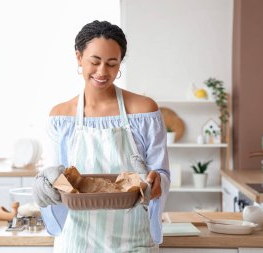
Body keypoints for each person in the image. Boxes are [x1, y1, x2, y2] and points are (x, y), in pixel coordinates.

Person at [33, 20, 170, 253]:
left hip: (133, 239)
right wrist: (45, 185)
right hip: (75, 240)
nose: (102, 72)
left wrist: (154, 184)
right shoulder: (60, 117)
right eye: (94, 62)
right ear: (79, 58)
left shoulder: (144, 111)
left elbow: (162, 175)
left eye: (112, 64)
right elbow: (55, 177)